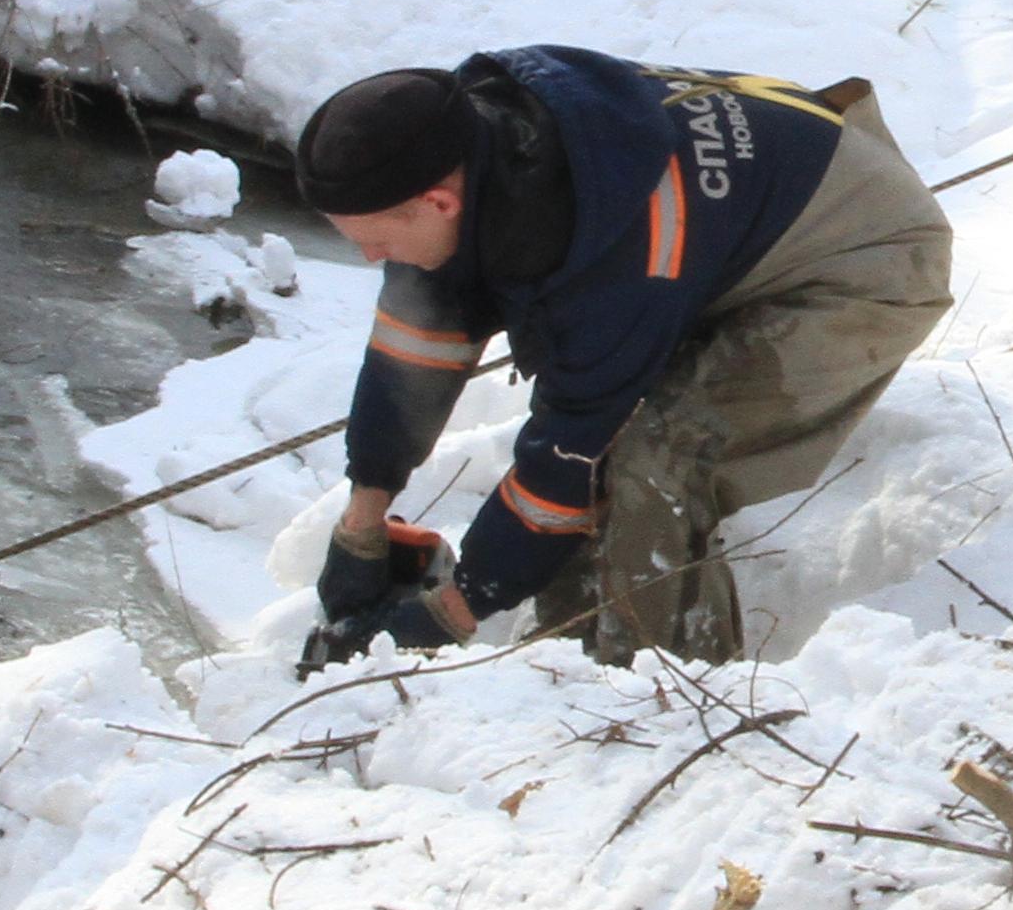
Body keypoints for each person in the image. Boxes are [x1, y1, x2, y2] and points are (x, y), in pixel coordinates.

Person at [294, 48, 954, 666]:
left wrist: (455, 609)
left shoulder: (602, 247)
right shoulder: (473, 147)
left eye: (376, 242)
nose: (370, 259)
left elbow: (567, 454)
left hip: (865, 258)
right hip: (748, 220)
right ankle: (567, 657)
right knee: (607, 455)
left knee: (656, 453)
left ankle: (659, 692)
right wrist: (363, 520)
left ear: (438, 203)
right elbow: (414, 349)